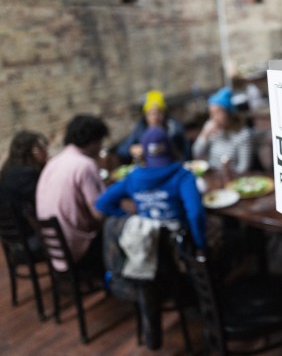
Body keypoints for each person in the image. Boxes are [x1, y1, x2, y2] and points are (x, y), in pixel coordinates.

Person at [96, 126, 206, 250]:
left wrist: (129, 218)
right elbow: (195, 213)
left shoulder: (133, 178)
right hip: (177, 240)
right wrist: (200, 245)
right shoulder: (183, 176)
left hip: (146, 241)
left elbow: (102, 203)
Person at [35, 114, 109, 272]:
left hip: (53, 249)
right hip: (78, 249)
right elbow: (99, 213)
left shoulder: (54, 162)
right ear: (94, 140)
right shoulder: (85, 165)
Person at [0, 130, 49, 255]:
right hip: (29, 243)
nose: (45, 151)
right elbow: (45, 204)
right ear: (28, 151)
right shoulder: (27, 174)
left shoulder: (7, 171)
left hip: (13, 243)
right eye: (40, 148)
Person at [116, 90, 192, 164]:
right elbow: (122, 150)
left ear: (164, 114)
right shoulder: (141, 129)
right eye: (151, 113)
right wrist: (131, 149)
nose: (155, 117)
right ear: (145, 115)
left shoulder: (174, 130)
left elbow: (187, 153)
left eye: (159, 113)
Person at [192, 87, 253, 174]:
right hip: (211, 172)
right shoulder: (209, 126)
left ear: (229, 113)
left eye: (218, 112)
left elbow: (244, 167)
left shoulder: (243, 133)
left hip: (232, 176)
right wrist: (204, 135)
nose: (214, 118)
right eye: (211, 113)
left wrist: (228, 174)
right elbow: (196, 154)